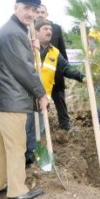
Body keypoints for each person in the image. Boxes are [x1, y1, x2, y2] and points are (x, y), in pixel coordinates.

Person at [0, 0, 47, 199]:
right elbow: (24, 70)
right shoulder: (13, 34)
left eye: (34, 10)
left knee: (0, 147)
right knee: (16, 147)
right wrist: (41, 93)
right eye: (26, 8)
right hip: (13, 100)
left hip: (4, 100)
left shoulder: (11, 31)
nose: (30, 13)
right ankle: (17, 192)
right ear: (15, 8)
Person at [25, 18, 86, 166]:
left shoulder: (54, 52)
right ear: (37, 32)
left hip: (43, 98)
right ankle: (21, 155)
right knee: (25, 128)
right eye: (45, 29)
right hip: (25, 97)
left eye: (50, 30)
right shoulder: (28, 48)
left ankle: (31, 157)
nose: (49, 32)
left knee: (38, 128)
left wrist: (81, 77)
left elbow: (66, 68)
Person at [37, 4, 72, 131]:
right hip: (39, 74)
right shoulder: (31, 29)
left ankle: (65, 123)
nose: (40, 14)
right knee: (40, 101)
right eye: (38, 11)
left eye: (42, 12)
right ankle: (42, 127)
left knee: (60, 99)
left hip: (56, 71)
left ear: (47, 14)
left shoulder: (56, 28)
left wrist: (65, 70)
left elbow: (62, 50)